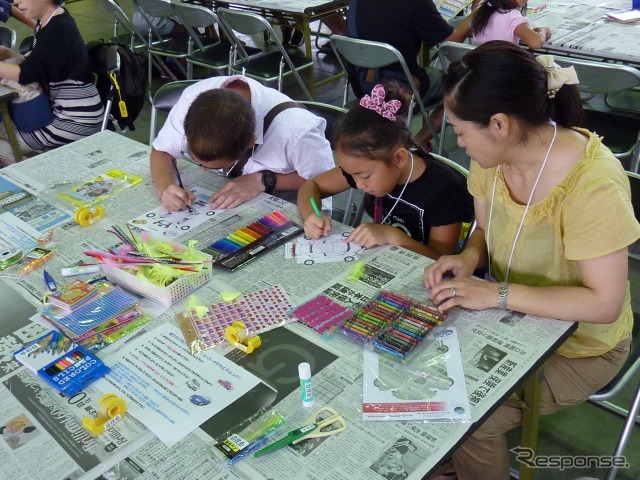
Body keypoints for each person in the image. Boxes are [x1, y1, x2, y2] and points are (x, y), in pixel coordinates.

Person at [423, 41, 640, 480]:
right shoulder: (494, 159)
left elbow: (603, 304)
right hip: (511, 318)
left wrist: (496, 293)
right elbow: (484, 230)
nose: (459, 144)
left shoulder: (592, 184)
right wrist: (468, 258)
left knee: (465, 419)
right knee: (418, 372)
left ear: (500, 124)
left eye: (462, 133)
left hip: (580, 346)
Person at [297, 82, 473, 258]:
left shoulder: (445, 191)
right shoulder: (364, 167)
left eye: (364, 175)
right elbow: (311, 186)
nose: (358, 185)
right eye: (351, 175)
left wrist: (393, 236)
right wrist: (312, 214)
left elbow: (442, 260)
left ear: (399, 158)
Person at [151, 75, 334, 211]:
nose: (204, 169)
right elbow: (161, 150)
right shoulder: (194, 100)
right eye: (198, 162)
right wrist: (166, 186)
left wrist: (262, 181)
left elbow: (325, 180)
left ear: (250, 143)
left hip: (293, 206)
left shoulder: (297, 132)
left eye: (214, 166)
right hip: (227, 197)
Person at [347, 0, 473, 150]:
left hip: (365, 84)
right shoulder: (415, 3)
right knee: (461, 81)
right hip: (402, 88)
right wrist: (477, 13)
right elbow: (450, 40)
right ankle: (420, 139)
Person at [0, 0, 104, 166]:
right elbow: (39, 63)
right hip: (73, 113)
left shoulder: (57, 29)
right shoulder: (53, 21)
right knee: (7, 128)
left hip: (75, 120)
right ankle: (36, 164)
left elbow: (26, 74)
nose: (17, 1)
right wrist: (8, 54)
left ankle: (36, 178)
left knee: (2, 145)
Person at [471, 0, 551, 48]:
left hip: (479, 67)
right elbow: (536, 43)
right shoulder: (513, 15)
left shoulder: (482, 10)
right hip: (503, 69)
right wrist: (543, 30)